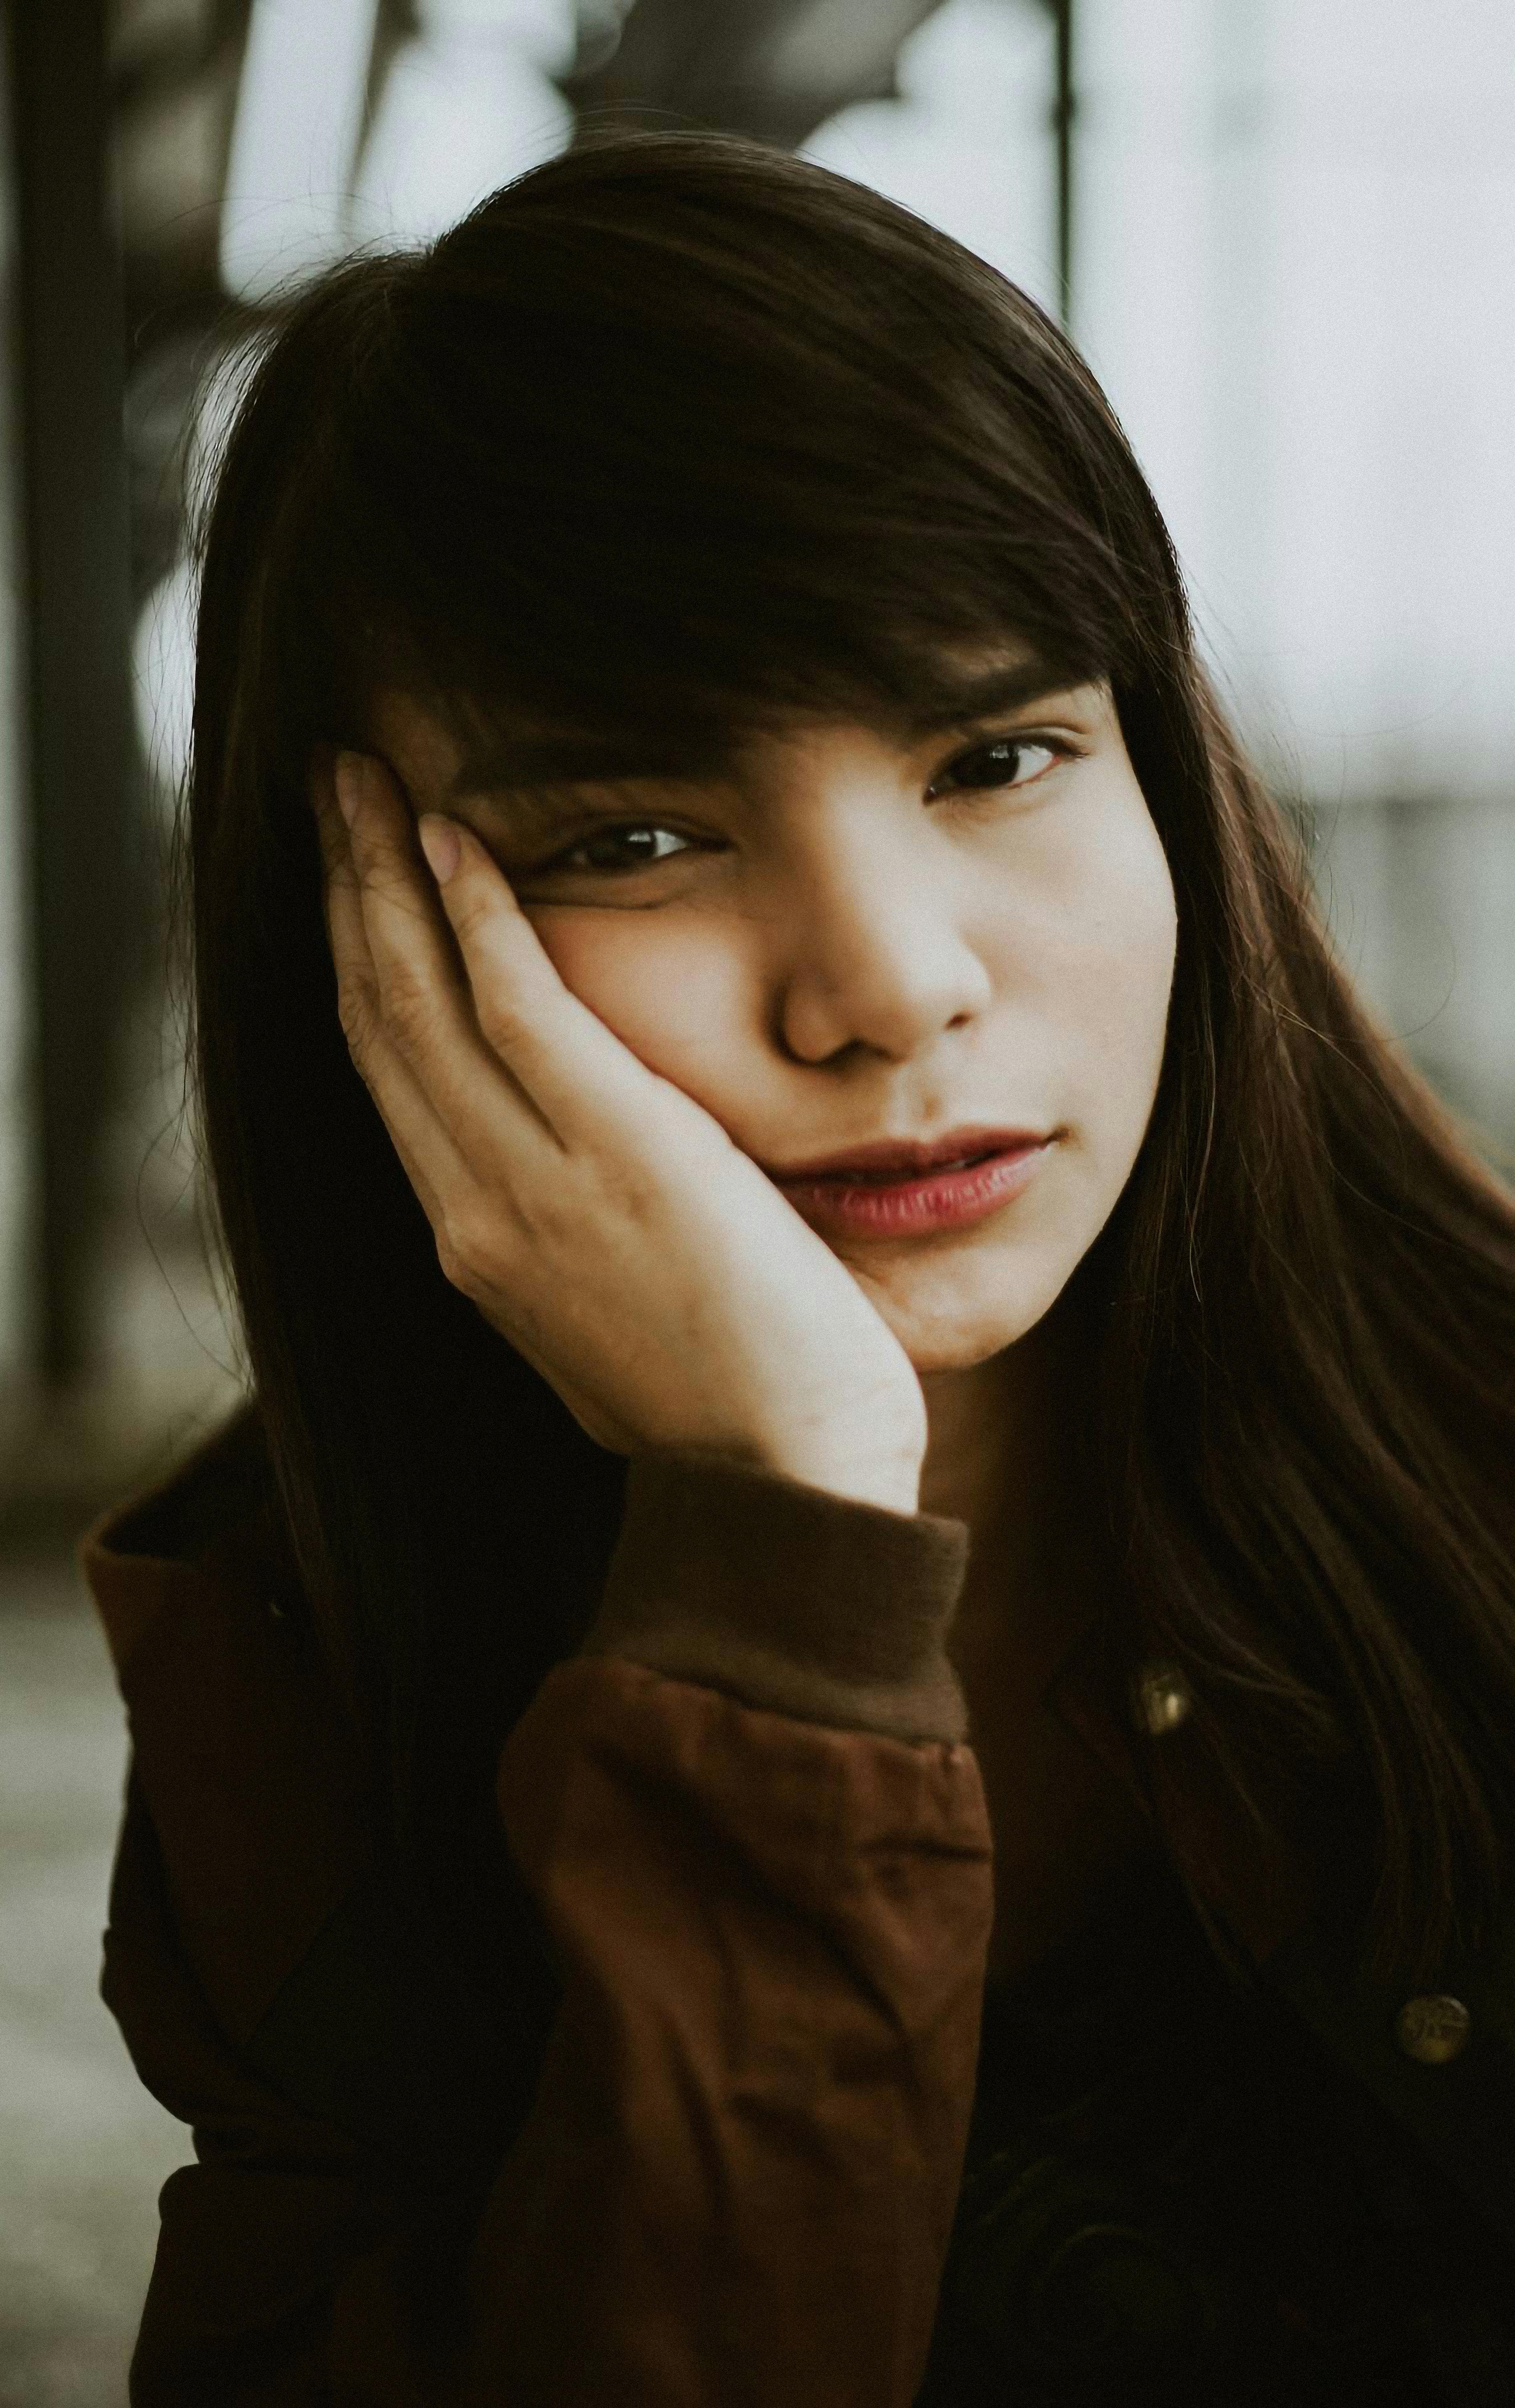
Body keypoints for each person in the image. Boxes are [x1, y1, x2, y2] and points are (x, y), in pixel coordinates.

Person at [83, 132, 1515, 2405]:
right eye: (639, 834)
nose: (890, 984)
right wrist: (780, 1565)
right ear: (369, 947)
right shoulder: (301, 1645)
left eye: (1002, 755)